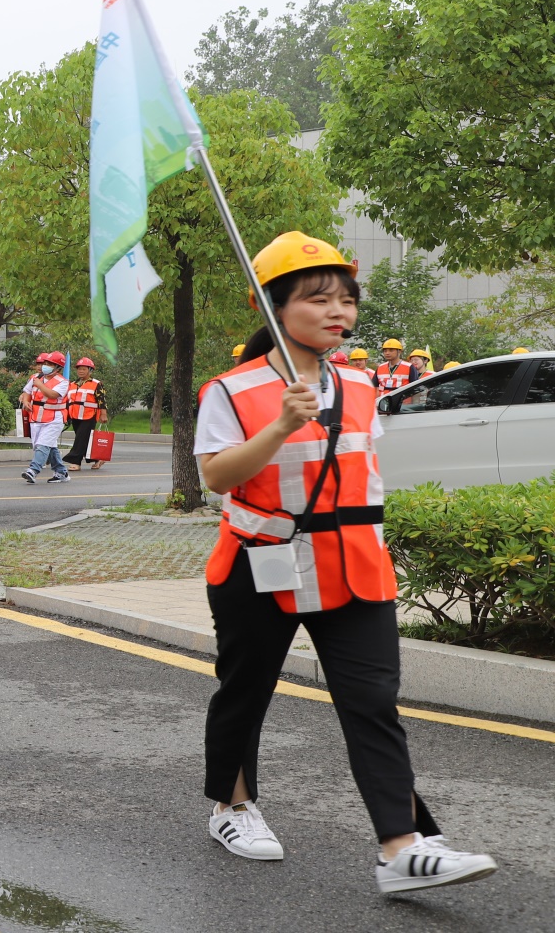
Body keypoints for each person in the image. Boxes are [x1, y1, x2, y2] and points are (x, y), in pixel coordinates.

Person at [194, 231, 496, 893]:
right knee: (246, 694)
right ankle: (232, 806)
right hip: (260, 564)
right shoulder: (232, 389)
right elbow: (218, 477)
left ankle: (400, 848)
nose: (339, 312)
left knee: (373, 701)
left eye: (347, 300)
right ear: (271, 308)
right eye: (318, 299)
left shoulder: (359, 385)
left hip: (355, 564)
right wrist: (276, 426)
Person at [21, 352, 70, 484]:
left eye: (49, 364)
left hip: (54, 419)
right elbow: (27, 391)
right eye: (45, 363)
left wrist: (40, 384)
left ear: (58, 368)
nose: (45, 366)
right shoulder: (36, 377)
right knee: (48, 447)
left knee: (42, 445)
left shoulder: (63, 382)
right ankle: (61, 472)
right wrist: (26, 401)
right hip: (36, 417)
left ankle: (33, 471)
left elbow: (52, 394)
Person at [64, 357, 110, 472]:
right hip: (75, 415)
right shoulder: (72, 384)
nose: (81, 371)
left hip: (89, 416)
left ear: (90, 371)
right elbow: (68, 400)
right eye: (79, 369)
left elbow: (102, 400)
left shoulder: (96, 384)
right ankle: (97, 459)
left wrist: (103, 414)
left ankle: (75, 461)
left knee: (80, 438)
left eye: (84, 369)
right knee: (84, 440)